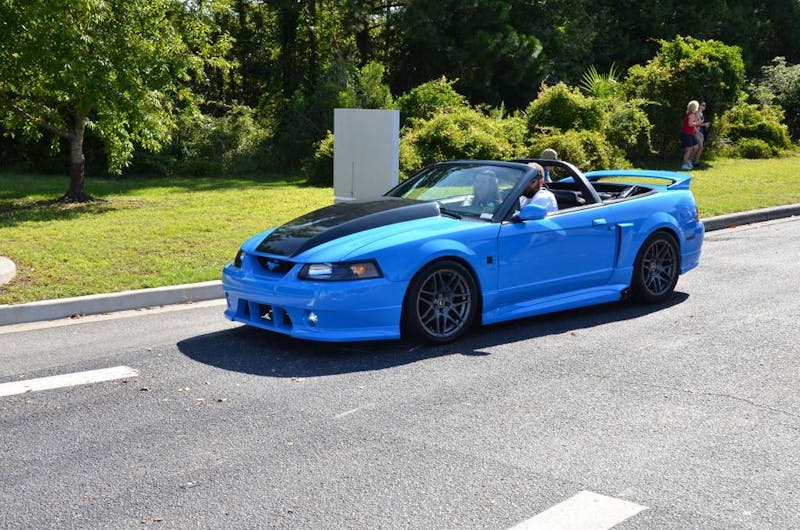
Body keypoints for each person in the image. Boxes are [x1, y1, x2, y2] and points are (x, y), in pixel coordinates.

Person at [680, 100, 702, 170]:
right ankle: (684, 164)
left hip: (691, 134)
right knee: (688, 149)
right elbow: (690, 124)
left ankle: (689, 160)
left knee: (696, 147)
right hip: (687, 134)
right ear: (694, 107)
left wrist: (697, 121)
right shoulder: (691, 114)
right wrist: (698, 123)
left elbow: (693, 122)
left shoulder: (691, 114)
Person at [693, 100, 711, 166]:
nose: (704, 107)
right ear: (699, 106)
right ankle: (692, 161)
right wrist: (704, 125)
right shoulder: (697, 113)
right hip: (695, 131)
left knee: (700, 147)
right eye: (703, 105)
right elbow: (694, 124)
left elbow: (699, 123)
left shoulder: (701, 114)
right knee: (698, 147)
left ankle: (695, 161)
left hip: (699, 131)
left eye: (705, 105)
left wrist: (705, 124)